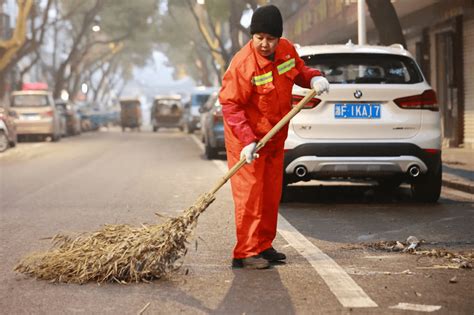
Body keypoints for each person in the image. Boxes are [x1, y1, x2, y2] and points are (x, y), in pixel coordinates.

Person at [219, 4, 330, 269]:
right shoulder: (243, 64)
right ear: (252, 36)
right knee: (251, 195)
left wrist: (314, 79)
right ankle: (245, 253)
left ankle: (263, 245)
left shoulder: (287, 50)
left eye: (271, 38)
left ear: (279, 37)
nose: (265, 44)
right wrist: (247, 140)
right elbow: (230, 105)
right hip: (247, 141)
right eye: (259, 38)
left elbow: (299, 71)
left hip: (274, 137)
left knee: (270, 194)